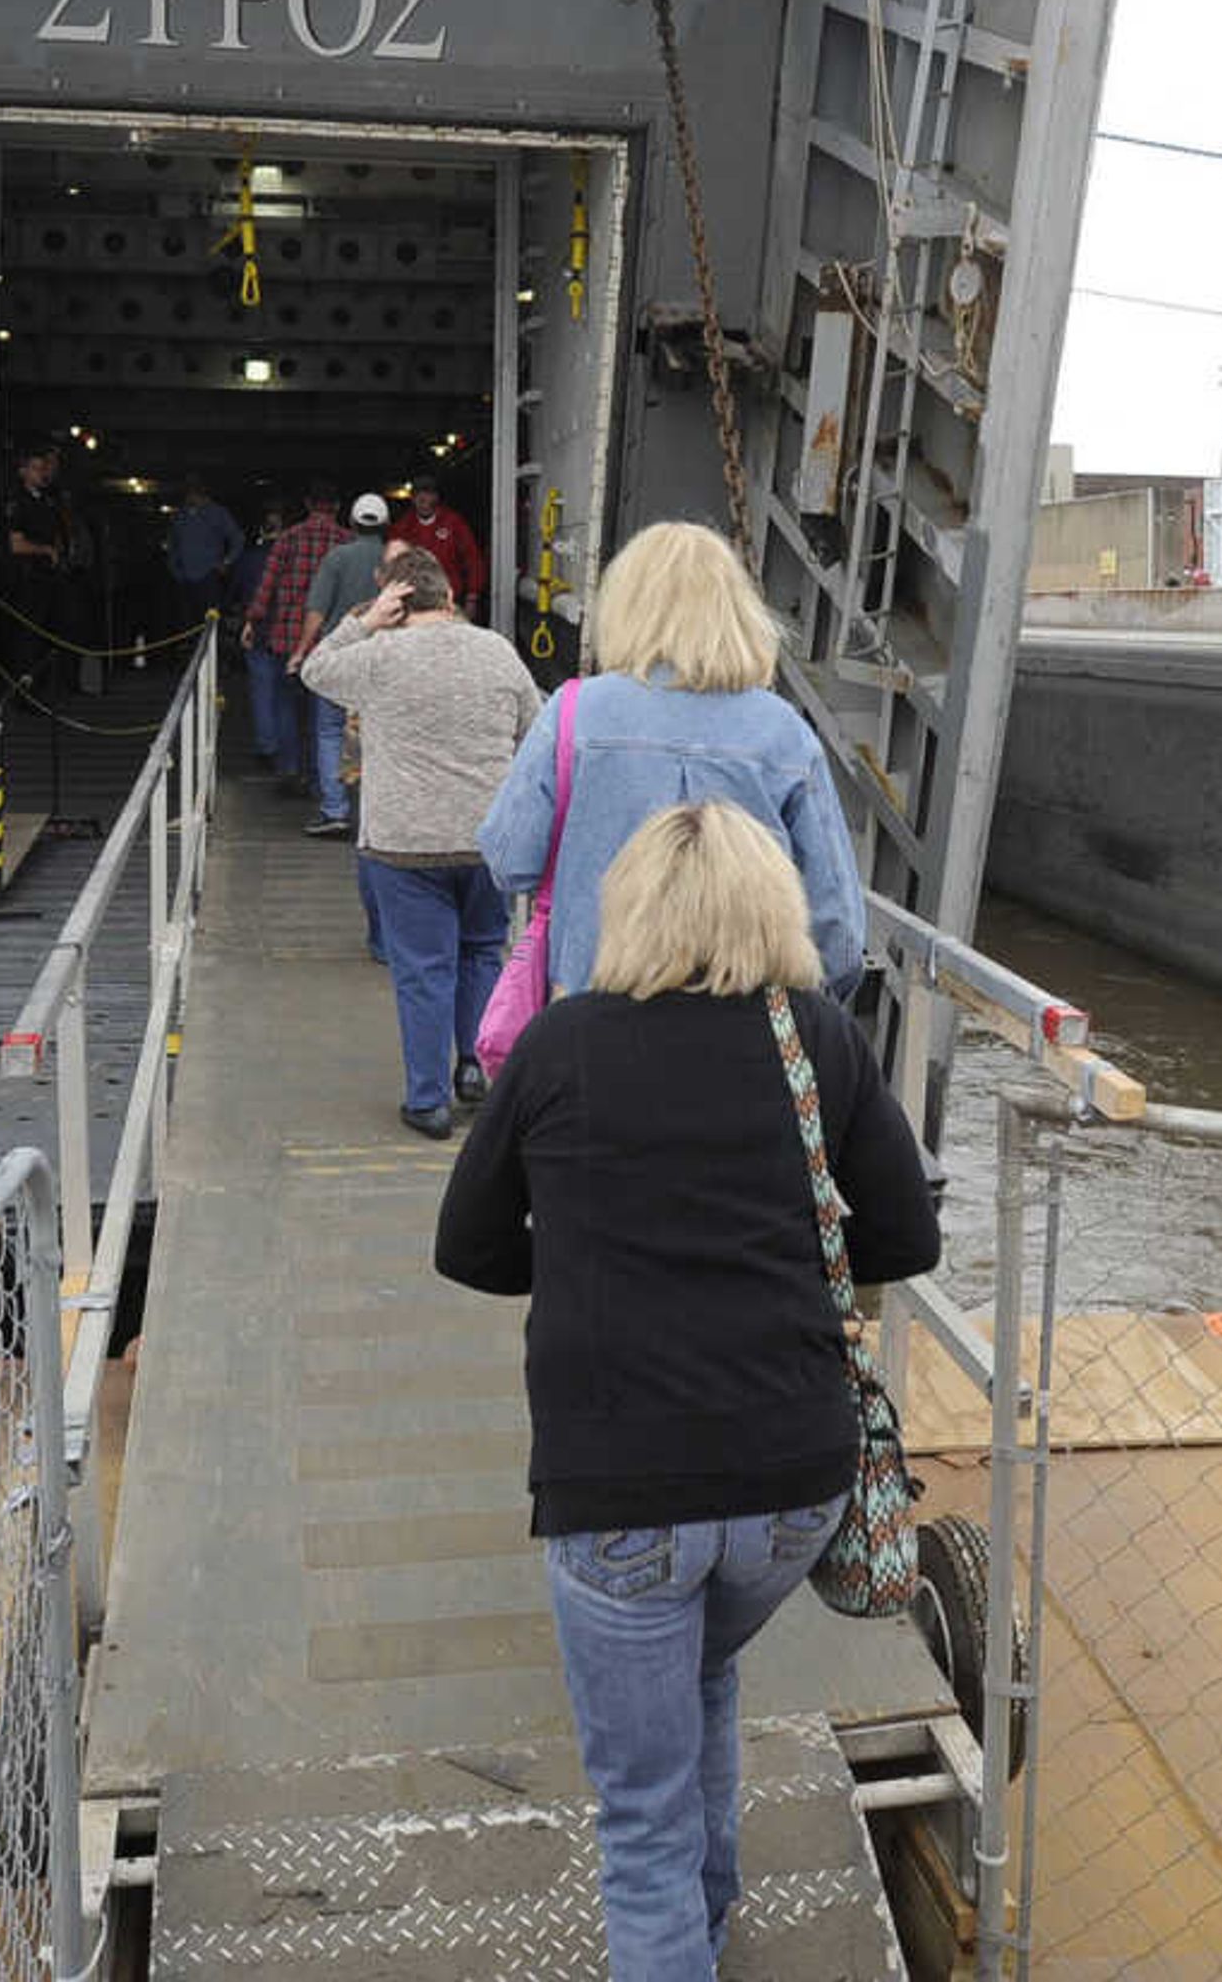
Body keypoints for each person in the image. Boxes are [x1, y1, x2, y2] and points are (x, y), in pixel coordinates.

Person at [435, 803, 940, 1981]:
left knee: (641, 1821)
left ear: (630, 909)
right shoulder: (815, 1034)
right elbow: (904, 1233)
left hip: (619, 1495)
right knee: (704, 1672)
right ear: (775, 908)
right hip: (792, 1488)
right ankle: (708, 1929)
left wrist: (568, 1253)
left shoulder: (559, 1045)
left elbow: (468, 1246)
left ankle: (680, 1938)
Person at [478, 520, 865, 1003]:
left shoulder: (575, 714)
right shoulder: (783, 733)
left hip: (592, 1011)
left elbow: (509, 860)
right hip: (743, 1020)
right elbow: (840, 930)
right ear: (738, 613)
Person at [300, 547, 541, 1135]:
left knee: (424, 971)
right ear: (450, 598)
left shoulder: (378, 656)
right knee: (483, 951)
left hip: (403, 848)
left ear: (395, 604)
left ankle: (428, 1101)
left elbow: (314, 669)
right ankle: (477, 1069)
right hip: (486, 841)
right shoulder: (498, 652)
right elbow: (533, 731)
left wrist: (364, 621)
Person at [291, 491, 396, 842]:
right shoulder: (397, 561)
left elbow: (317, 610)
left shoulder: (336, 558)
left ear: (351, 523)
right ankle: (379, 812)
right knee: (383, 730)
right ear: (385, 524)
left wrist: (302, 650)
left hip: (343, 657)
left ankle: (335, 811)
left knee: (330, 731)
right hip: (386, 657)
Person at [240, 484, 341, 790]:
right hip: (328, 640)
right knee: (321, 712)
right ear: (337, 506)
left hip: (287, 637)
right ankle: (316, 775)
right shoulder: (345, 541)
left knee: (285, 703)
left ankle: (289, 767)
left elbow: (266, 587)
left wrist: (251, 622)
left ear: (308, 504)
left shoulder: (287, 539)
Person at [0, 445, 74, 701]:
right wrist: (45, 550)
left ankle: (43, 689)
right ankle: (23, 694)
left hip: (46, 579)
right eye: (37, 468)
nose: (43, 473)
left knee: (44, 637)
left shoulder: (47, 501)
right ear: (23, 471)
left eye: (44, 468)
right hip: (25, 579)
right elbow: (16, 544)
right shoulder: (17, 502)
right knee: (25, 639)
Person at [392, 469, 485, 616]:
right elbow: (393, 565)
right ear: (412, 498)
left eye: (428, 494)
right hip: (414, 603)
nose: (423, 500)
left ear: (436, 497)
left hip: (449, 600)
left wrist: (472, 596)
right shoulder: (402, 527)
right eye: (418, 495)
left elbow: (472, 559)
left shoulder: (454, 523)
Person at [165, 473, 243, 641]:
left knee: (211, 626)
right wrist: (175, 570)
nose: (190, 496)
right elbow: (172, 545)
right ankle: (191, 660)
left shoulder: (218, 512)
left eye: (194, 492)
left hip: (209, 578)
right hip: (185, 580)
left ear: (202, 493)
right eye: (187, 492)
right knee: (187, 627)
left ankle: (215, 660)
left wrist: (226, 562)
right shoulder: (180, 515)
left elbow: (237, 538)